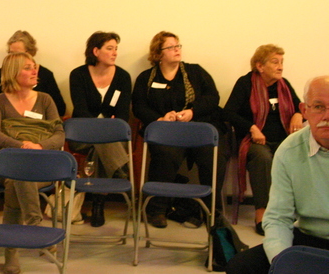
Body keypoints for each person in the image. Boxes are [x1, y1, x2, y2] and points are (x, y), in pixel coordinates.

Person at [226, 76, 329, 274]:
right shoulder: (290, 150)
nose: (326, 116)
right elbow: (278, 218)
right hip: (308, 237)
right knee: (240, 267)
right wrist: (281, 262)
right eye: (318, 107)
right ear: (304, 111)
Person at [132, 31, 226, 229]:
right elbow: (139, 106)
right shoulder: (146, 78)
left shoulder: (195, 72)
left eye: (178, 46)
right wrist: (160, 119)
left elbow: (212, 97)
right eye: (171, 47)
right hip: (165, 133)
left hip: (197, 130)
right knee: (165, 154)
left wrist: (192, 112)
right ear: (159, 53)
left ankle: (212, 211)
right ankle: (157, 208)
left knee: (211, 156)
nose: (177, 50)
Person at [0, 52, 65, 274]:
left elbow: (59, 134)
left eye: (34, 66)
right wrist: (20, 146)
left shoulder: (45, 99)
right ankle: (35, 227)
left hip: (41, 166)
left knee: (17, 180)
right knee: (17, 175)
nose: (35, 71)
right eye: (28, 67)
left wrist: (39, 146)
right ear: (13, 72)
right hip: (6, 165)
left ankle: (11, 254)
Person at [224, 44, 303, 235]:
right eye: (275, 62)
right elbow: (228, 113)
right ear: (260, 66)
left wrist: (298, 114)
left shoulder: (283, 85)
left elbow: (300, 106)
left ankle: (297, 213)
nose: (280, 67)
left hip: (283, 141)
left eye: (282, 62)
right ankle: (262, 214)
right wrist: (252, 128)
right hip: (254, 142)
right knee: (263, 158)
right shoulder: (245, 84)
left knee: (301, 155)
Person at [69, 31, 131, 227]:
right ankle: (121, 169)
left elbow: (122, 115)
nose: (114, 53)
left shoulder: (122, 77)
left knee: (102, 145)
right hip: (82, 134)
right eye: (110, 48)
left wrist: (108, 128)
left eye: (116, 49)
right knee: (104, 140)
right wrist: (104, 127)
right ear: (95, 51)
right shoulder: (78, 75)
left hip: (113, 137)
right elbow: (80, 110)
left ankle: (97, 202)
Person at [0, 30, 66, 117]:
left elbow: (60, 109)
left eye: (18, 54)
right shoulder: (4, 72)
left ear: (30, 52)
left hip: (38, 126)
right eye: (11, 53)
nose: (13, 58)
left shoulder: (45, 75)